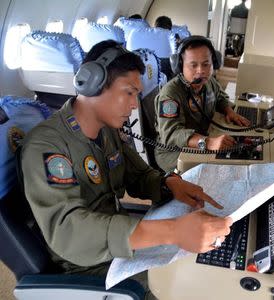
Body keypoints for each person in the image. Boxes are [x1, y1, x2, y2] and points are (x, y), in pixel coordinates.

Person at [20, 40, 232, 299]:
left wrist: (169, 183)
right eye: (129, 92)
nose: (135, 105)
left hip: (122, 243)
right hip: (87, 265)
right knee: (187, 286)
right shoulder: (47, 145)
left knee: (208, 266)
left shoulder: (107, 131)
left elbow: (140, 176)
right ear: (93, 82)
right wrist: (173, 230)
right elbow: (69, 229)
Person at [153, 35, 250, 172]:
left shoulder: (208, 82)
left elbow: (220, 96)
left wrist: (229, 111)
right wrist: (208, 142)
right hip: (173, 152)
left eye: (206, 64)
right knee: (220, 168)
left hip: (202, 137)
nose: (201, 71)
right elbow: (171, 134)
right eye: (193, 65)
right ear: (180, 66)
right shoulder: (170, 93)